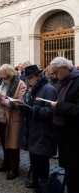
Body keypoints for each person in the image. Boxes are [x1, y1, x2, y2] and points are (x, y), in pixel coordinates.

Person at [0, 64, 26, 180]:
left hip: (12, 118)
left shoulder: (20, 84)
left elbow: (21, 102)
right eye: (1, 77)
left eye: (5, 78)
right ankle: (5, 163)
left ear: (11, 75)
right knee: (3, 142)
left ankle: (14, 168)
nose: (3, 80)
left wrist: (3, 101)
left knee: (12, 145)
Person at [21, 65, 58, 193]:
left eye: (30, 78)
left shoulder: (48, 89)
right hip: (32, 128)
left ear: (38, 76)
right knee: (33, 157)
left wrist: (36, 110)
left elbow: (52, 111)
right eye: (27, 78)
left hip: (44, 130)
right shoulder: (31, 88)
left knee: (42, 159)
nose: (28, 80)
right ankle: (35, 180)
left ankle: (43, 184)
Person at [49, 57, 79, 192]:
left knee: (74, 170)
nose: (54, 76)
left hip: (75, 136)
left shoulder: (77, 82)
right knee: (70, 170)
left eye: (55, 72)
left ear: (65, 68)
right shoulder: (65, 82)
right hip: (66, 134)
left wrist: (59, 106)